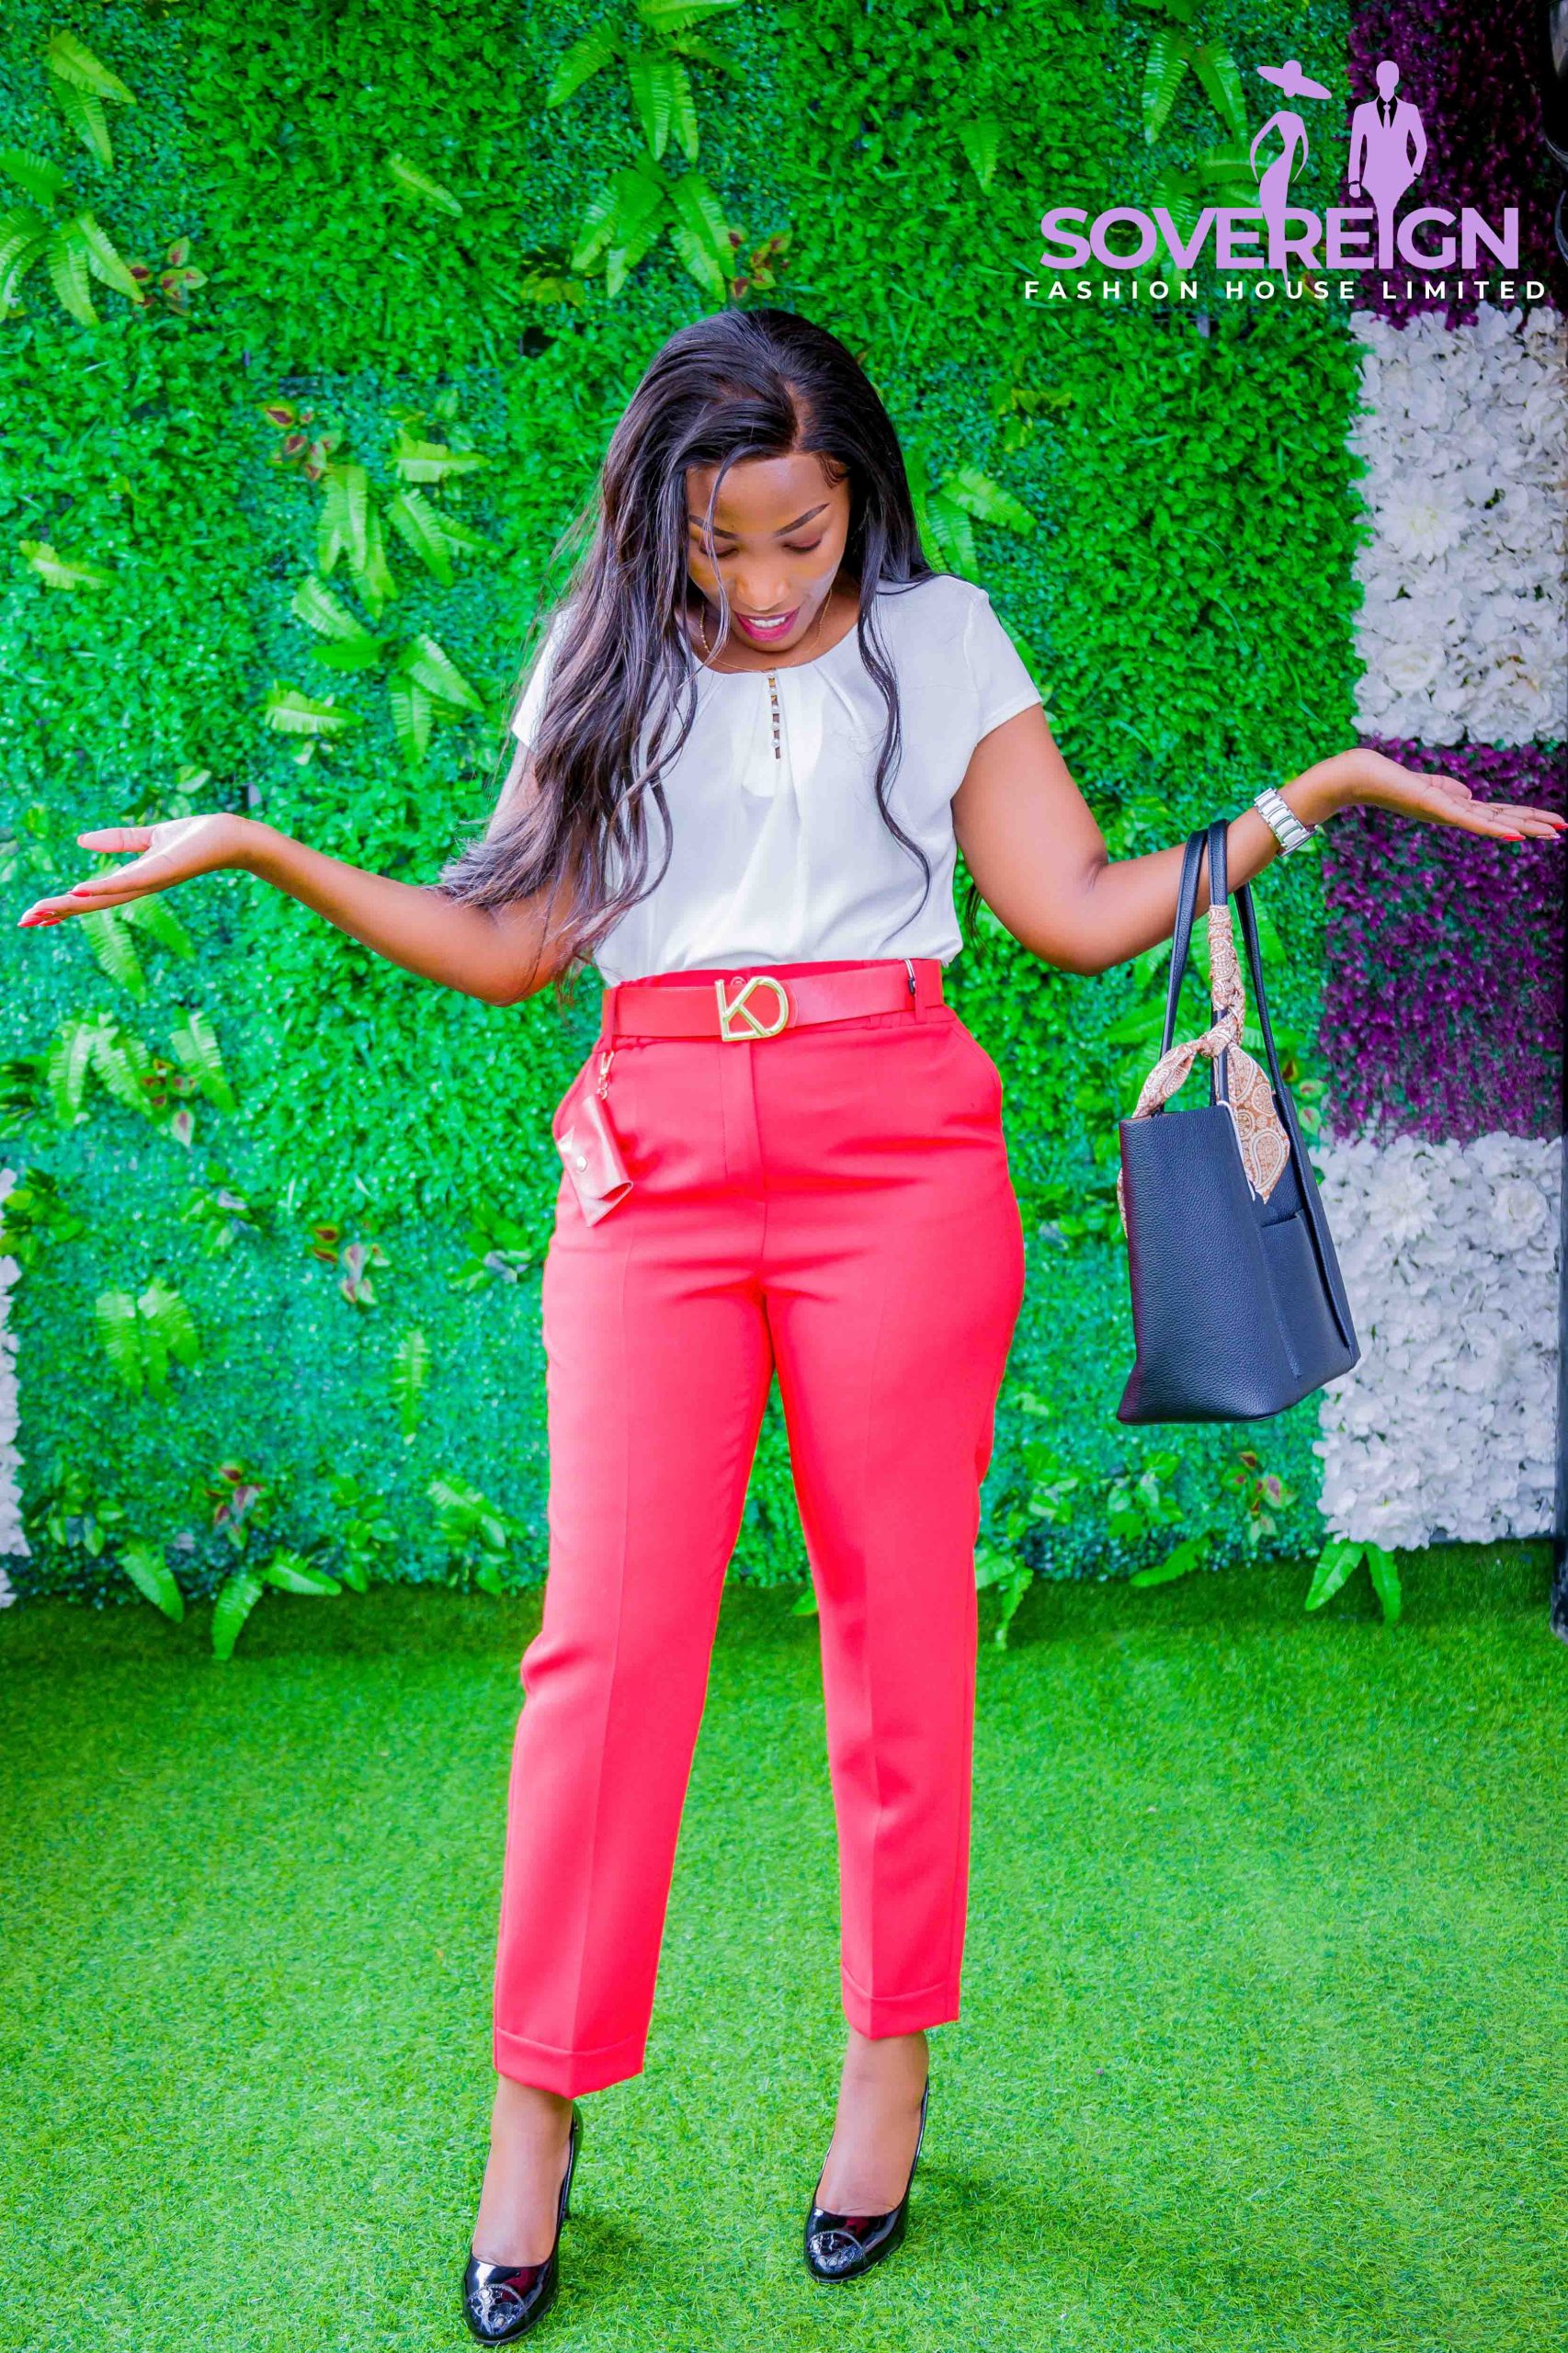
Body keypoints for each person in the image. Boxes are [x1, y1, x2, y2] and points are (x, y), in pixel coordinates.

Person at [19, 307, 1563, 2341]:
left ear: (858, 502)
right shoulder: (602, 653)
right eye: (715, 540)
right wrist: (257, 847)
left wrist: (1321, 793)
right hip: (650, 1166)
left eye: (798, 537)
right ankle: (535, 2111)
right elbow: (514, 944)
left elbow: (1072, 909)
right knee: (602, 1649)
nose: (756, 584)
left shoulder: (940, 639)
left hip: (896, 1162)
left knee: (897, 1629)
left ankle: (887, 2067)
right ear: (655, 512)